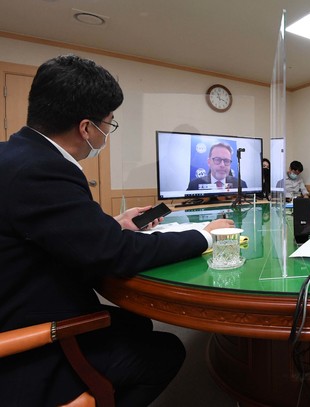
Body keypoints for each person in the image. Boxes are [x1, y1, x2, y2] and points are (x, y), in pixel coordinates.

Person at [0, 54, 234, 406]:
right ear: (86, 128)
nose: (106, 133)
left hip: (21, 303)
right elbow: (117, 255)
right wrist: (206, 235)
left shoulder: (14, 156)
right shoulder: (43, 170)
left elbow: (46, 230)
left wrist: (113, 224)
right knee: (167, 349)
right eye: (108, 124)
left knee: (136, 324)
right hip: (34, 342)